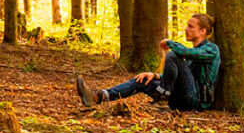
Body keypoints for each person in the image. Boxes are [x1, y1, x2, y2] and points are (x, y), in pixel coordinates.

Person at [76, 13, 221, 112]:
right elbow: (178, 78)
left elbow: (184, 54)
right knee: (142, 80)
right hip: (181, 96)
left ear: (202, 31)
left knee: (173, 55)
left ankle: (162, 100)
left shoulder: (211, 50)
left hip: (196, 102)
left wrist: (170, 43)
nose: (186, 29)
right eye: (187, 25)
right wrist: (155, 75)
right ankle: (99, 96)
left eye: (191, 26)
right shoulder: (190, 53)